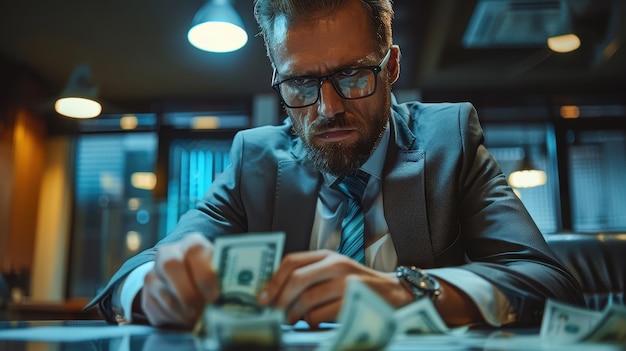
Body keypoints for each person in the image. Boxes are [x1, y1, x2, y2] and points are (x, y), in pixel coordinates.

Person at [86, 0, 584, 329]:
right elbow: (133, 274)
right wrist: (155, 289)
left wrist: (406, 293)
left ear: (391, 67)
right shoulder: (254, 161)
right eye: (301, 84)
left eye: (351, 75)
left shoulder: (449, 139)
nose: (327, 109)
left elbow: (548, 283)